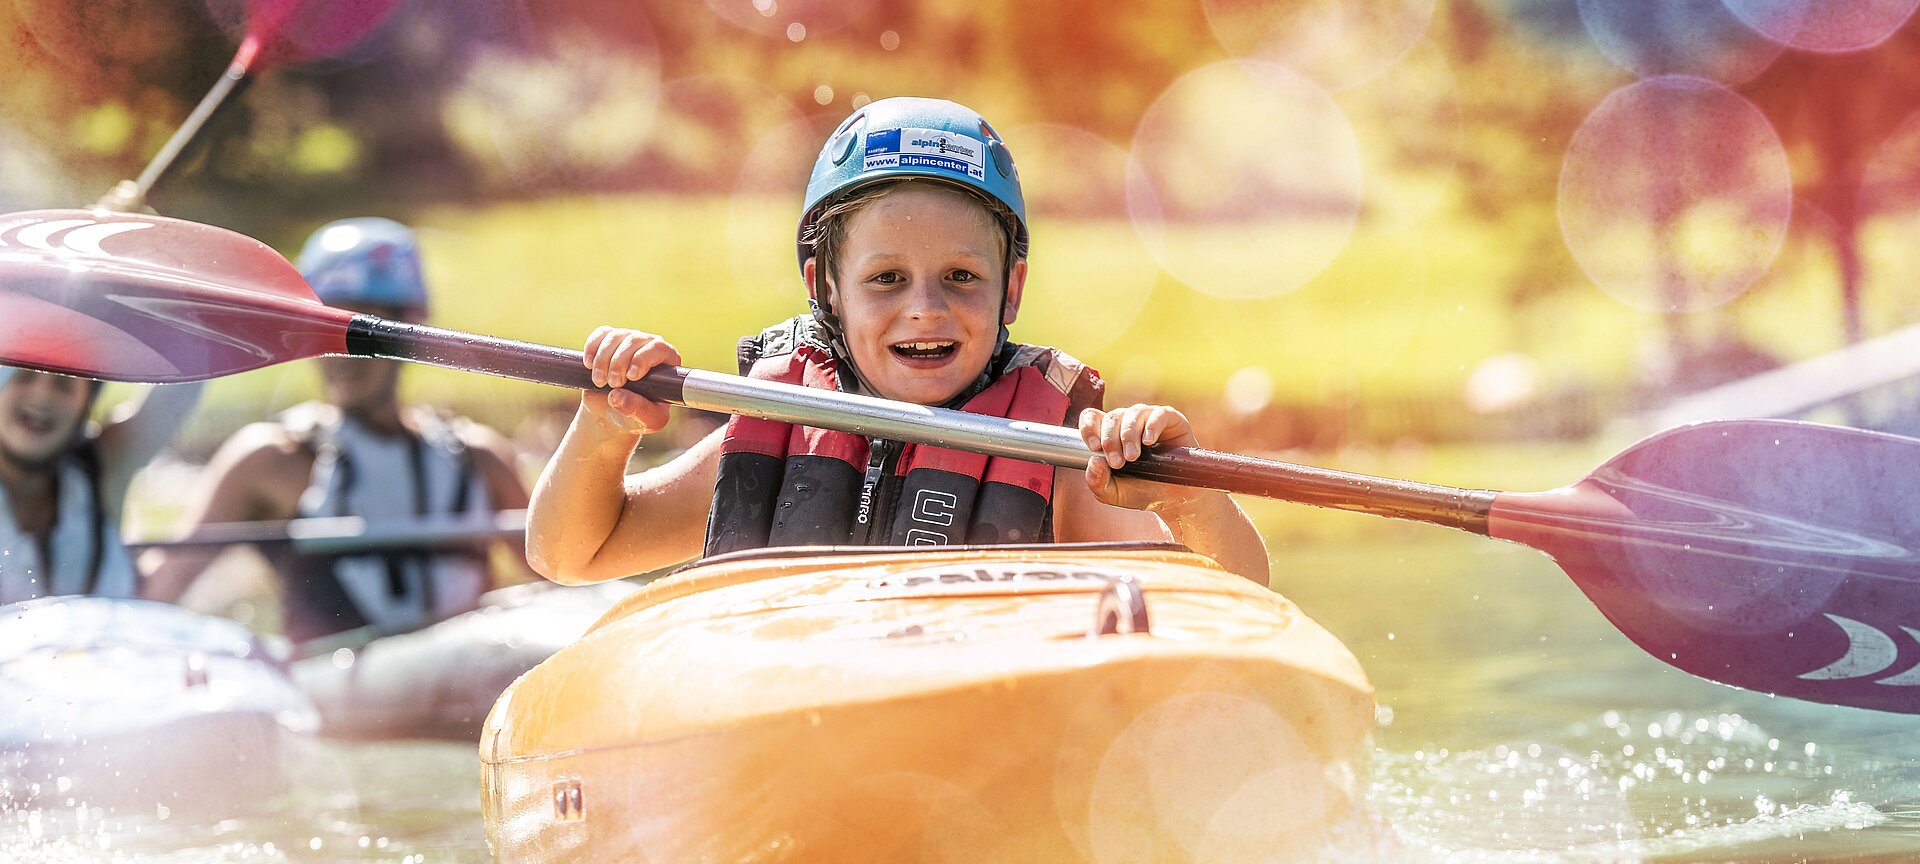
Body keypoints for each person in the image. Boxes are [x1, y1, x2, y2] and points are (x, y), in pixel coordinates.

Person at [526, 97, 1267, 584]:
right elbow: (570, 554)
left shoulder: (1060, 456)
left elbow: (1235, 596)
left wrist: (1189, 504)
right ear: (824, 287)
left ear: (1010, 289)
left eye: (960, 276)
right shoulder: (780, 424)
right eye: (885, 278)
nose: (926, 309)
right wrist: (604, 427)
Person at [142, 217, 530, 642]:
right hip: (335, 702)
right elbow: (158, 588)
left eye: (365, 333)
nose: (341, 354)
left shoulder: (480, 458)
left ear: (413, 335)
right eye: (322, 330)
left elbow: (566, 584)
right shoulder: (270, 460)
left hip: (475, 694)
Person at [0, 369, 200, 603]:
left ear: (88, 403)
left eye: (64, 383)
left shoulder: (103, 465)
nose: (42, 395)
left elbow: (189, 369)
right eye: (22, 376)